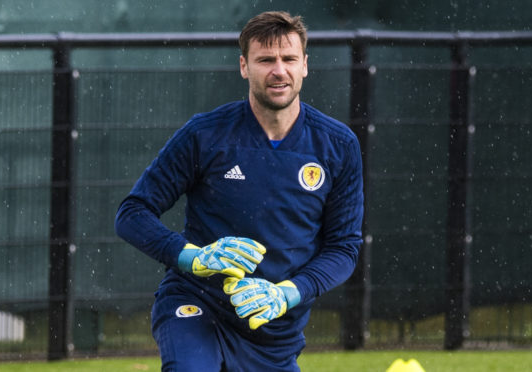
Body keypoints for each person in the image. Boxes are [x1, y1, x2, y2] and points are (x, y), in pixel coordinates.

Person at [115, 10, 363, 372]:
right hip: (197, 305)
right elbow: (132, 213)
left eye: (289, 59)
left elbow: (343, 248)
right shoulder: (205, 134)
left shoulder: (338, 145)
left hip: (274, 332)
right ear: (244, 66)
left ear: (305, 65)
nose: (279, 70)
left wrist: (286, 293)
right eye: (266, 60)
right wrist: (193, 259)